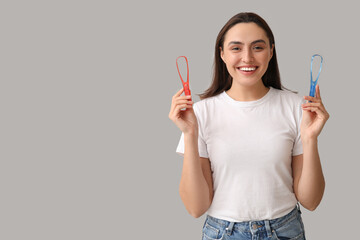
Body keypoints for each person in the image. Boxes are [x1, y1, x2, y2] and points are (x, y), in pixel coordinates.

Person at [168, 12, 329, 240]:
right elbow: (196, 207)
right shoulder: (200, 114)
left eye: (257, 47)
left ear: (271, 52)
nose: (247, 58)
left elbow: (311, 201)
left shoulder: (296, 107)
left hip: (285, 231)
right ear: (222, 54)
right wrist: (190, 133)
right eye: (236, 48)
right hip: (222, 233)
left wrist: (311, 138)